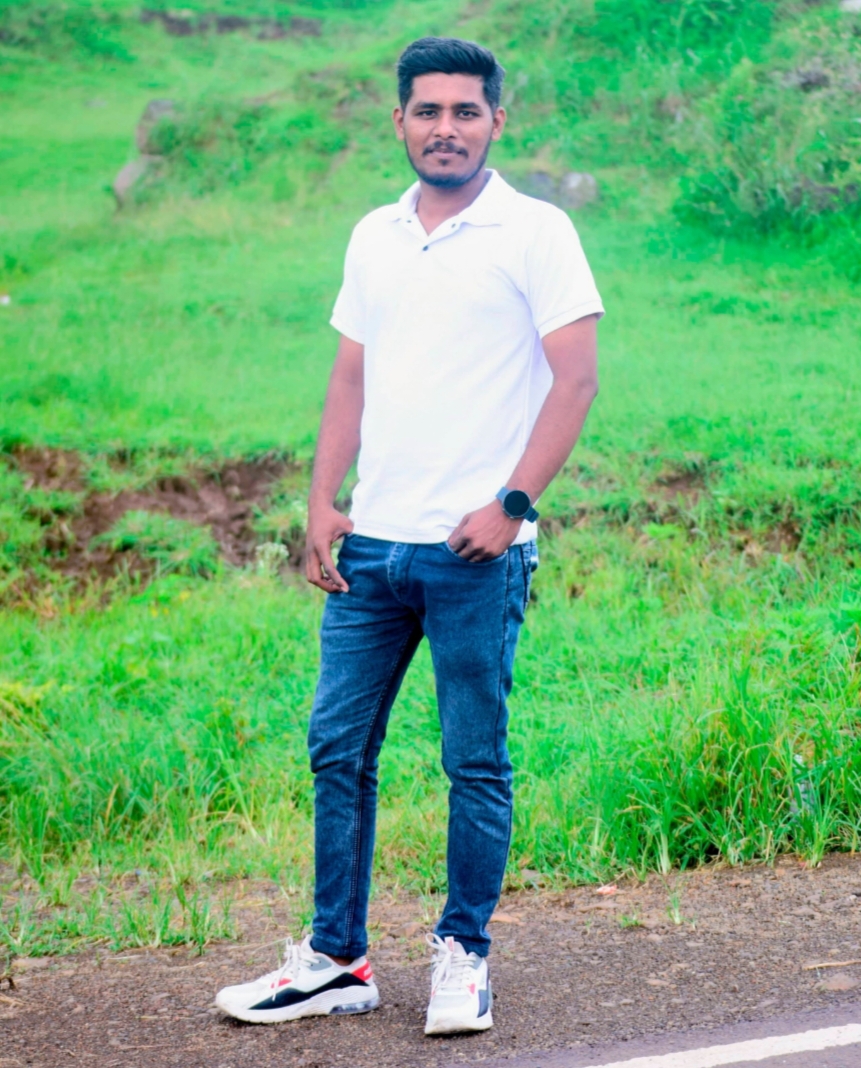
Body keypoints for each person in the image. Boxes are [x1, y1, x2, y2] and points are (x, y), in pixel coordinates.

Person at [215, 34, 603, 1035]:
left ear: (495, 121)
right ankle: (336, 959)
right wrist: (321, 503)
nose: (445, 128)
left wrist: (511, 505)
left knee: (473, 761)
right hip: (373, 550)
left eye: (465, 111)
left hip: (475, 553)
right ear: (399, 121)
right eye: (427, 111)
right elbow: (352, 374)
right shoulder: (374, 235)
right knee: (336, 750)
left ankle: (464, 954)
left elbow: (575, 380)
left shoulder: (537, 230)